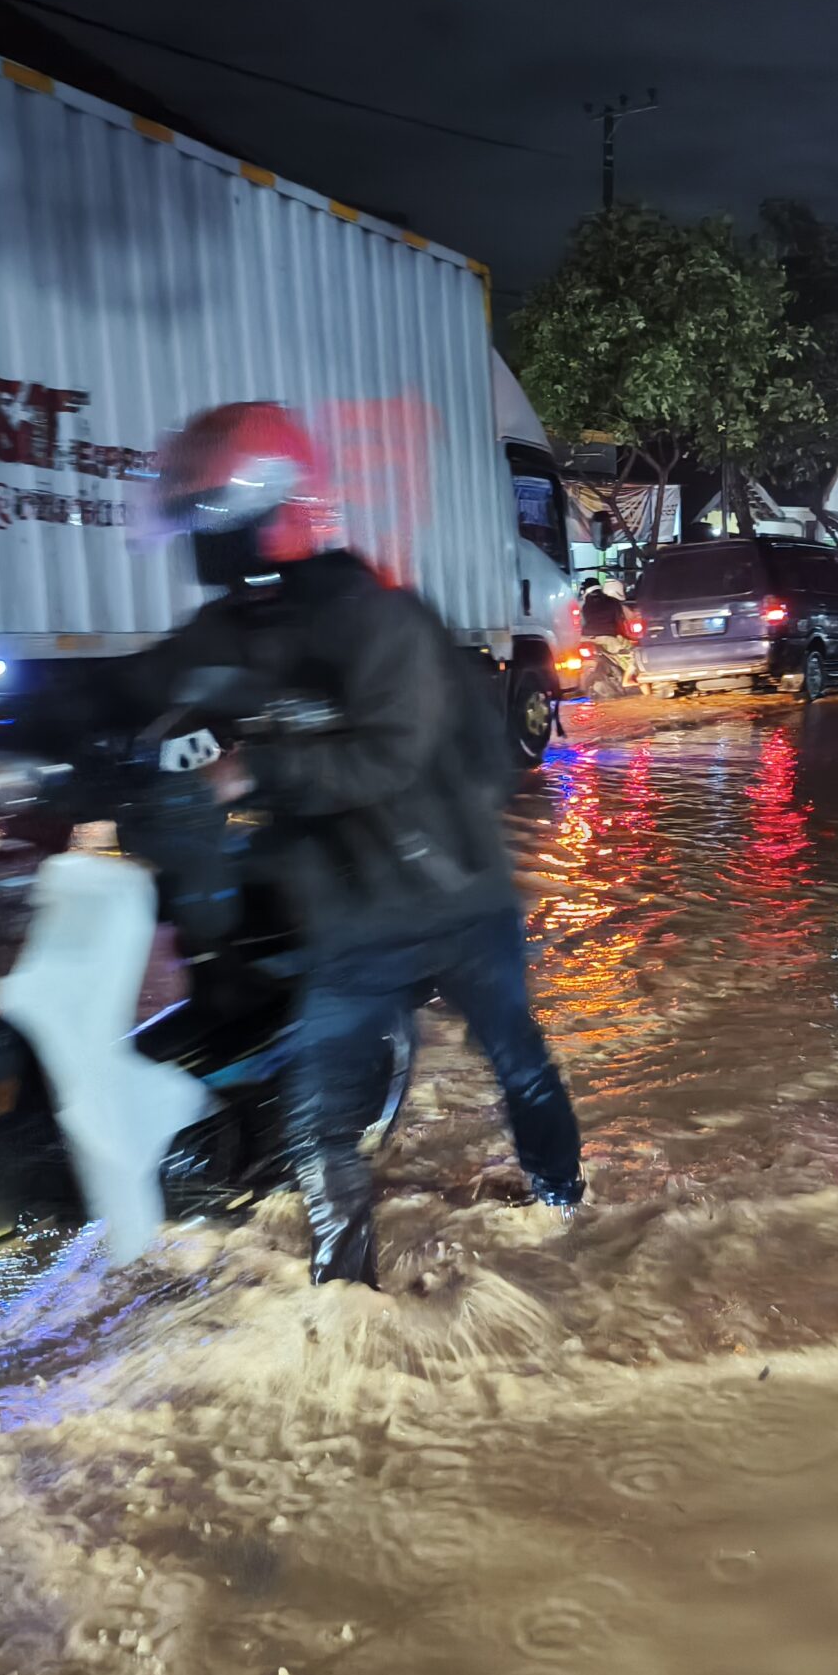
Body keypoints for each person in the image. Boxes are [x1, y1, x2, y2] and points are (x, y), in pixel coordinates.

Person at [137, 402, 585, 1286]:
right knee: (317, 1120)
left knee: (516, 1058)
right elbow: (145, 688)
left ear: (264, 509)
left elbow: (388, 754)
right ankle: (345, 1303)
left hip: (454, 897)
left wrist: (256, 771)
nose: (201, 542)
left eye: (211, 518)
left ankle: (562, 1205)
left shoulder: (377, 616)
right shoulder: (238, 626)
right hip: (353, 914)